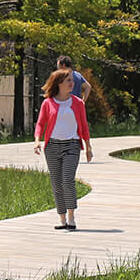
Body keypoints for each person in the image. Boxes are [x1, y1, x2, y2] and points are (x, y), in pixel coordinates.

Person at [33, 68, 93, 230]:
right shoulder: (48, 103)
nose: (72, 83)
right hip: (52, 146)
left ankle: (71, 217)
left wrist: (88, 147)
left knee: (67, 180)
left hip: (72, 145)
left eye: (72, 80)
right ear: (59, 83)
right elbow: (40, 123)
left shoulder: (78, 103)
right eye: (68, 80)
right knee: (56, 183)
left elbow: (84, 126)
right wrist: (37, 141)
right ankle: (62, 219)